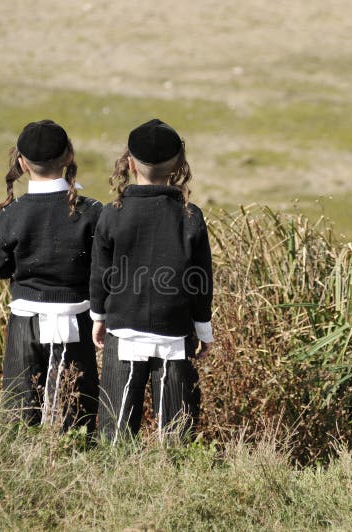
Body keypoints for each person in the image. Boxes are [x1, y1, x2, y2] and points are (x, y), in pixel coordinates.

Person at [90, 119, 213, 443]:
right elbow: (201, 281)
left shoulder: (111, 213)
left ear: (129, 164)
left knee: (112, 434)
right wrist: (203, 330)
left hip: (123, 328)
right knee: (176, 436)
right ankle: (171, 482)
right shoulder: (191, 216)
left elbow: (101, 273)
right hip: (174, 333)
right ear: (179, 168)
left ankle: (114, 483)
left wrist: (98, 317)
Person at [0, 119, 101, 434]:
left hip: (25, 321)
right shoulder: (91, 212)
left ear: (21, 164)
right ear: (69, 157)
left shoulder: (11, 214)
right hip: (76, 320)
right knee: (77, 415)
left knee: (19, 414)